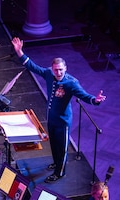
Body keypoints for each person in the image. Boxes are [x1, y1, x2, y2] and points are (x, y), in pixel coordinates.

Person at [11, 37, 106, 183]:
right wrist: (19, 51)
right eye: (56, 70)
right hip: (52, 118)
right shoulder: (49, 73)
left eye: (61, 69)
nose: (58, 72)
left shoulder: (71, 83)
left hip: (63, 121)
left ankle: (59, 172)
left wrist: (95, 100)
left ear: (65, 68)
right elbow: (33, 66)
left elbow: (84, 95)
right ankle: (56, 164)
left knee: (62, 148)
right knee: (54, 145)